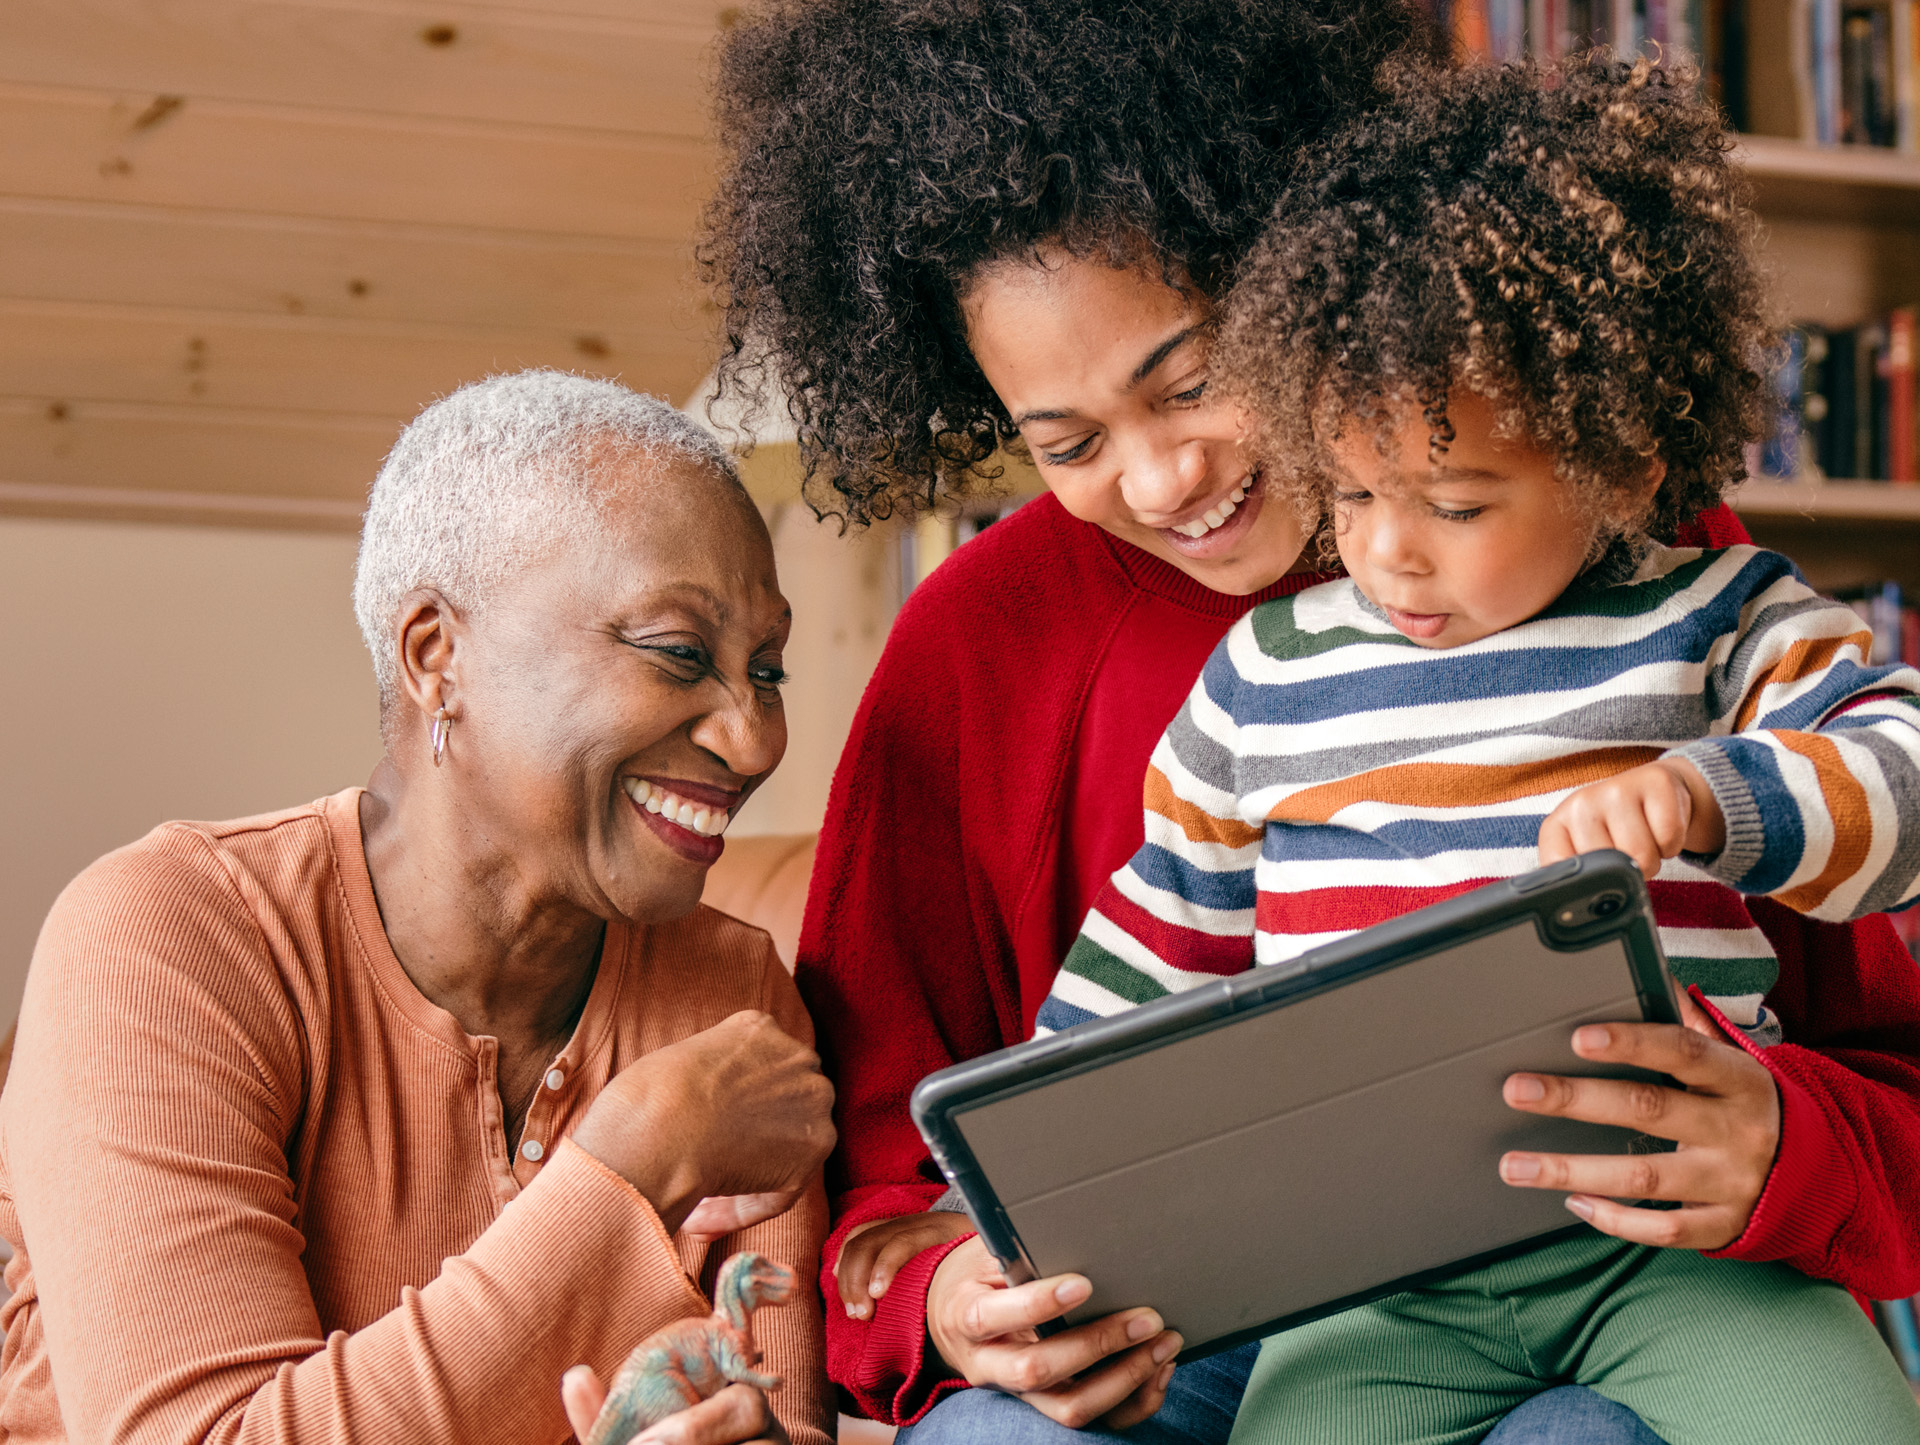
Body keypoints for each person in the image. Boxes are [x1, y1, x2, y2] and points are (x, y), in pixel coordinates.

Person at [703, 4, 1920, 1443]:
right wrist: (955, 1292)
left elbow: (1874, 1025)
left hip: (1625, 1257)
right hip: (1209, 1328)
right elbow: (907, 1162)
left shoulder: (1614, 551)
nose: (1162, 481)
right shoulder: (975, 651)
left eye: (1197, 378)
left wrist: (1781, 1141)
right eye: (1068, 444)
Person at [0, 372, 835, 1445]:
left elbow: (776, 1410)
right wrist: (632, 1158)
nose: (756, 739)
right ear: (438, 654)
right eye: (680, 652)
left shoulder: (727, 997)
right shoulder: (165, 936)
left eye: (767, 668)